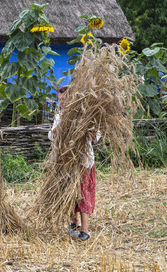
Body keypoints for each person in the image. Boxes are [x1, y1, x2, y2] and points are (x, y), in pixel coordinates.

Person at [48, 85, 100, 241]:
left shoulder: (85, 114)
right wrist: (57, 130)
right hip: (67, 159)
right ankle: (74, 220)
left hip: (84, 160)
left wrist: (89, 132)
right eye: (60, 99)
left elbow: (96, 137)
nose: (61, 102)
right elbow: (51, 136)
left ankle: (85, 229)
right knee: (69, 191)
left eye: (64, 99)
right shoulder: (60, 116)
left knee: (83, 193)